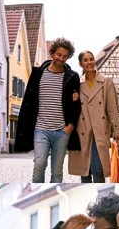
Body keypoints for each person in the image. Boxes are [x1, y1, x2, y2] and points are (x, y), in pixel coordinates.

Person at [15, 37, 81, 183]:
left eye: (65, 56)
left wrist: (71, 125)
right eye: (59, 55)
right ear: (52, 54)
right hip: (41, 128)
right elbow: (28, 100)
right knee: (39, 164)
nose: (61, 59)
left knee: (57, 171)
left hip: (62, 131)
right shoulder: (38, 74)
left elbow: (77, 105)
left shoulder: (72, 77)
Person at [68, 50, 119, 183]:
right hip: (82, 131)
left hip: (99, 131)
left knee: (98, 170)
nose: (89, 62)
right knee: (84, 171)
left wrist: (117, 130)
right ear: (80, 64)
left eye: (91, 59)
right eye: (85, 60)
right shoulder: (76, 83)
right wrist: (71, 99)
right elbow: (69, 107)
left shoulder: (106, 82)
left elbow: (112, 109)